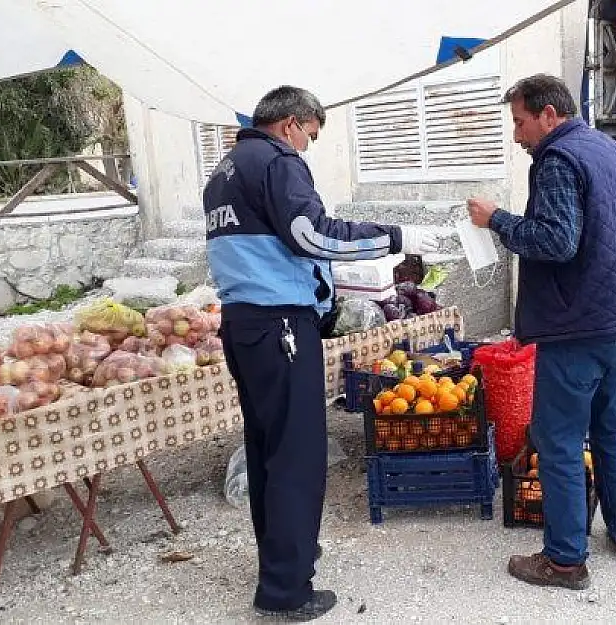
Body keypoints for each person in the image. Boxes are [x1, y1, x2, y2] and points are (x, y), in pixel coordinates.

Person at [203, 85, 438, 620]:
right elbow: (312, 236)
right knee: (297, 456)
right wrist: (395, 237)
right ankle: (287, 591)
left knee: (268, 450)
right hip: (281, 325)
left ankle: (286, 557)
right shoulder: (277, 162)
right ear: (290, 123)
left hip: (244, 325)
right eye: (310, 135)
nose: (308, 146)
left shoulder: (225, 169)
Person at [467, 74, 616, 590]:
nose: (517, 136)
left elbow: (556, 241)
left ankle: (565, 561)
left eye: (520, 122)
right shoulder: (612, 151)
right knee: (609, 429)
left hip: (576, 323)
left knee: (556, 440)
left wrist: (497, 220)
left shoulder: (557, 160)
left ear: (548, 115)